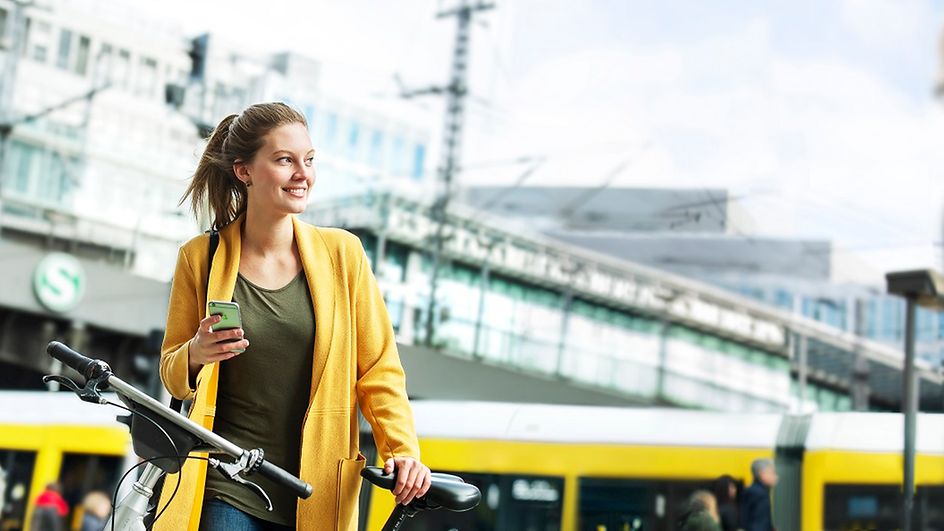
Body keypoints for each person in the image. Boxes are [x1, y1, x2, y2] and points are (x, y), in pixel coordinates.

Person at [155, 102, 430, 531]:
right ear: (244, 170)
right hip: (227, 483)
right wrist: (196, 352)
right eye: (285, 160)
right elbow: (172, 374)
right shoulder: (200, 258)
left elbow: (379, 370)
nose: (304, 174)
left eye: (310, 160)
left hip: (317, 490)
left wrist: (402, 450)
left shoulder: (343, 255)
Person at [740, 458, 778, 531]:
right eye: (773, 473)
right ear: (762, 474)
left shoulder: (752, 491)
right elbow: (760, 525)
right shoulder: (761, 495)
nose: (775, 476)